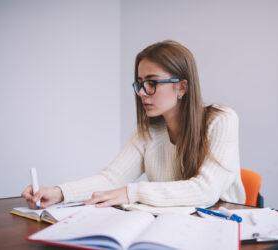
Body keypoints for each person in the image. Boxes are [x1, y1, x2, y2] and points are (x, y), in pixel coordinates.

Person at [22, 40, 246, 209]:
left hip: (222, 229)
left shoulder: (221, 120)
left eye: (151, 83)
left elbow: (206, 191)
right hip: (171, 227)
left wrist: (132, 192)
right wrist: (60, 192)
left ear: (182, 88)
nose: (141, 93)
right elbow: (111, 179)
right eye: (139, 84)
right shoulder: (148, 132)